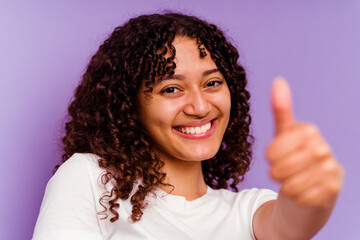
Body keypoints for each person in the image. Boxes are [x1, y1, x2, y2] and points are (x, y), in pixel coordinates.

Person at [32, 13, 344, 240]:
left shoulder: (248, 210)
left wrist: (312, 197)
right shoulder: (89, 179)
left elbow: (289, 224)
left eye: (212, 83)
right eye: (171, 88)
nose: (200, 106)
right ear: (131, 105)